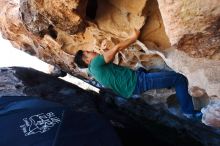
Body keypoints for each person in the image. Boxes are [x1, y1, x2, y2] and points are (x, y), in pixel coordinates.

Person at [74, 29, 202, 119]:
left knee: (145, 70)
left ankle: (166, 83)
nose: (91, 51)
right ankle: (188, 112)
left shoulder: (93, 71)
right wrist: (133, 38)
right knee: (179, 79)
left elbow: (110, 61)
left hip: (132, 87)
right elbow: (117, 48)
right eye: (88, 52)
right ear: (87, 60)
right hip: (138, 82)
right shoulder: (95, 64)